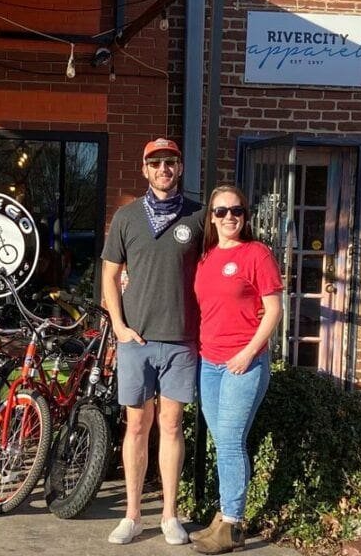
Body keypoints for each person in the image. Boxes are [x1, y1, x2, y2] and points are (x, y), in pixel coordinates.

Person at [101, 138, 205, 546]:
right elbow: (109, 276)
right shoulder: (126, 217)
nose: (164, 169)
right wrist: (119, 327)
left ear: (179, 168)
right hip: (136, 342)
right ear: (145, 169)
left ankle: (168, 515)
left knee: (172, 425)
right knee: (137, 426)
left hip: (181, 340)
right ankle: (131, 516)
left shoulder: (197, 217)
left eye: (171, 162)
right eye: (156, 162)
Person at [190, 185, 283, 555]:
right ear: (211, 217)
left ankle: (232, 523)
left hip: (242, 364)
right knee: (224, 440)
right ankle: (225, 515)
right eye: (221, 211)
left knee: (228, 442)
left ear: (245, 215)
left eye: (236, 210)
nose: (229, 217)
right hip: (209, 363)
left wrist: (249, 353)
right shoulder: (206, 257)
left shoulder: (256, 254)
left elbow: (273, 309)